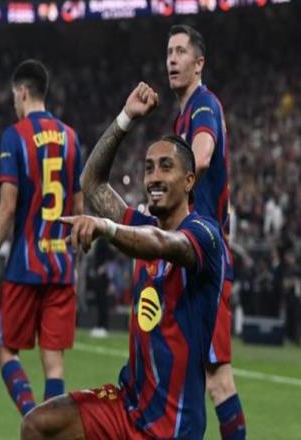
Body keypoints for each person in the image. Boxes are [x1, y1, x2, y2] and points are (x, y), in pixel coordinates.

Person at [21, 82, 225, 439]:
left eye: (166, 167)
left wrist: (107, 226)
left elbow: (159, 244)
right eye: (149, 168)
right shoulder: (142, 224)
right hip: (126, 406)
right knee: (38, 426)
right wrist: (126, 118)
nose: (154, 177)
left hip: (174, 427)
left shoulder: (204, 235)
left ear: (189, 180)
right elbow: (91, 183)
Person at [0, 59, 83, 416]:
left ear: (22, 92)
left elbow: (7, 207)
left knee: (6, 350)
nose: (14, 102)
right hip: (60, 267)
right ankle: (50, 431)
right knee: (54, 364)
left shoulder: (15, 136)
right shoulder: (71, 137)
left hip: (25, 266)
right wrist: (72, 257)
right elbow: (78, 209)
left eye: (13, 96)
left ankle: (31, 418)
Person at [167, 24, 246, 439]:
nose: (172, 60)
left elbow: (200, 156)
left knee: (217, 379)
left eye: (181, 52)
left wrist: (163, 197)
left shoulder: (203, 105)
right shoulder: (180, 114)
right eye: (169, 53)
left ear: (199, 63)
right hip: (189, 253)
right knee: (186, 375)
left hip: (206, 256)